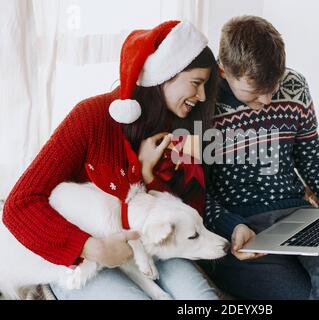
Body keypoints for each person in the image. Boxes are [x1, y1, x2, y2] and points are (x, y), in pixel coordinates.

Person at [2, 20, 220, 300]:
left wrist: (145, 173)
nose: (201, 97)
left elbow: (186, 213)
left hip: (144, 249)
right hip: (79, 257)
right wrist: (91, 247)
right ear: (167, 74)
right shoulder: (90, 117)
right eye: (196, 83)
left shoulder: (180, 127)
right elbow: (19, 205)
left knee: (202, 298)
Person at [201, 15, 319, 300]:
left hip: (298, 214)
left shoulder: (295, 85)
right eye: (255, 92)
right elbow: (192, 190)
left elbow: (311, 158)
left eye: (273, 87)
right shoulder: (201, 101)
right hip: (242, 225)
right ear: (223, 70)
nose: (267, 101)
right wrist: (229, 226)